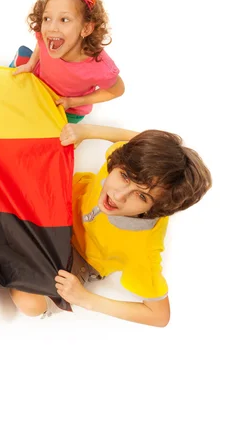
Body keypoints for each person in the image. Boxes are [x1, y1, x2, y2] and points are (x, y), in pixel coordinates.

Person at [14, 124, 211, 326]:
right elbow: (136, 140)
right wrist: (88, 131)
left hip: (79, 255)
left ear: (154, 208)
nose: (118, 195)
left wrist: (86, 299)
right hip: (61, 205)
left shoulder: (142, 248)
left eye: (141, 196)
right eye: (125, 177)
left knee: (29, 303)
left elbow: (159, 316)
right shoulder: (134, 163)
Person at [12, 0, 124, 122]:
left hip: (69, 109)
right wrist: (30, 64)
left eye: (64, 20)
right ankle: (24, 58)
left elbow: (116, 90)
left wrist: (72, 102)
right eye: (47, 18)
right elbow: (40, 42)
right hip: (40, 85)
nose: (51, 28)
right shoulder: (48, 35)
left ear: (86, 28)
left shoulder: (100, 66)